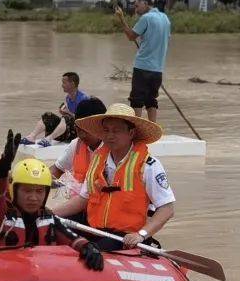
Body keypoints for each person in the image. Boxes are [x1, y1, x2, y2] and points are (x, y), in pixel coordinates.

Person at [0, 131, 103, 271]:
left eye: (39, 191)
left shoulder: (47, 218)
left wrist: (88, 247)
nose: (33, 197)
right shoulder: (0, 215)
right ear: (14, 190)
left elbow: (72, 239)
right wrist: (2, 170)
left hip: (38, 275)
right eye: (27, 191)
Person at [52, 103, 175, 252]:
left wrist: (141, 235)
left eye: (116, 131)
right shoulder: (97, 161)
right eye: (106, 130)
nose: (110, 136)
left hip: (124, 236)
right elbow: (83, 199)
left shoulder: (148, 165)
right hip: (94, 229)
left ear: (131, 133)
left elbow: (167, 208)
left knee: (93, 252)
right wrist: (50, 213)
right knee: (52, 228)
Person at [49, 97, 107, 223]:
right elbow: (55, 170)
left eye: (86, 130)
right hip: (79, 209)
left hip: (102, 214)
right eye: (78, 130)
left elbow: (84, 199)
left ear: (101, 126)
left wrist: (49, 213)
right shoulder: (77, 144)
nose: (82, 135)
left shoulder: (113, 151)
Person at [115, 0, 171, 123]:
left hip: (142, 66)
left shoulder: (146, 18)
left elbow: (131, 36)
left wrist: (121, 18)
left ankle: (136, 129)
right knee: (151, 99)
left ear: (146, 3)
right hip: (158, 69)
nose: (135, 9)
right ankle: (153, 128)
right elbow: (166, 39)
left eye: (137, 6)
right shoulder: (165, 18)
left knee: (136, 100)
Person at [24, 72, 87, 143]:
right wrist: (63, 113)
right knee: (48, 115)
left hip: (79, 133)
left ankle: (48, 139)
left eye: (64, 83)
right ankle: (32, 137)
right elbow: (70, 118)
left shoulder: (83, 99)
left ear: (72, 84)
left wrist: (68, 113)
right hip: (70, 130)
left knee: (67, 118)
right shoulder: (68, 98)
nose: (62, 85)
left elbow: (84, 121)